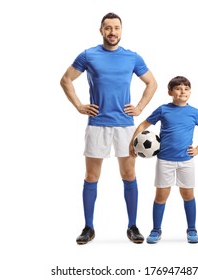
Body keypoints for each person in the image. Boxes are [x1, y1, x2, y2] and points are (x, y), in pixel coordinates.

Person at [60, 12, 157, 245]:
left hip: (125, 125)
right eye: (108, 28)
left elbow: (152, 83)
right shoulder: (88, 55)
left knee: (129, 175)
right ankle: (88, 228)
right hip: (97, 125)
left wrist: (140, 107)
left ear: (121, 31)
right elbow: (65, 80)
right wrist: (79, 106)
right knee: (92, 176)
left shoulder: (132, 57)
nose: (112, 32)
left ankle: (132, 226)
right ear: (101, 30)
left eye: (116, 28)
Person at [129, 76, 198, 244]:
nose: (183, 91)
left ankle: (192, 229)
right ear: (170, 92)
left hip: (186, 161)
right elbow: (144, 125)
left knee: (188, 194)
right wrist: (133, 141)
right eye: (178, 88)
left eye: (186, 89)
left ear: (190, 92)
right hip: (165, 161)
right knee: (161, 196)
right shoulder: (163, 110)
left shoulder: (194, 112)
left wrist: (197, 149)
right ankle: (156, 229)